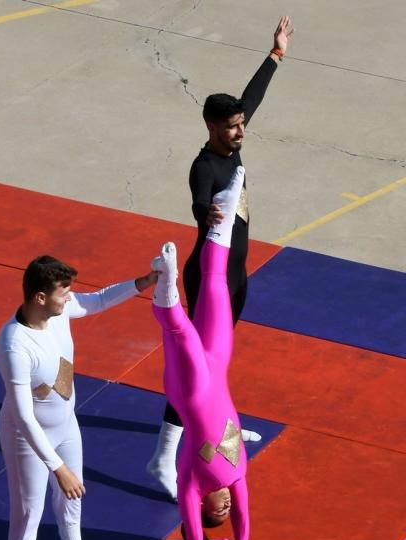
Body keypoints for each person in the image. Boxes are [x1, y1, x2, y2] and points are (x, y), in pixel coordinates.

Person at [148, 16, 294, 499]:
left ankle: (221, 421)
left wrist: (275, 54)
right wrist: (206, 212)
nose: (240, 133)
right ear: (212, 126)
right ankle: (163, 458)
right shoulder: (205, 165)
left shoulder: (234, 136)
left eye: (241, 125)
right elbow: (198, 197)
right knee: (198, 368)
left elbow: (253, 96)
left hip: (237, 273)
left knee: (220, 358)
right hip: (208, 276)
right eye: (232, 127)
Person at [0, 256, 157, 540]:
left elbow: (98, 299)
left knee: (74, 493)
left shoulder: (59, 312)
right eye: (63, 292)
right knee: (27, 517)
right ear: (39, 296)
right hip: (27, 441)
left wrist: (144, 281)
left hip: (66, 424)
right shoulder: (13, 344)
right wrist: (56, 466)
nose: (70, 298)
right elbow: (22, 415)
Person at [151, 166, 249, 540]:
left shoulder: (191, 483)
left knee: (181, 335)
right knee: (215, 289)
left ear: (204, 507)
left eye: (218, 512)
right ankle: (224, 218)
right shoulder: (238, 473)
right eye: (226, 511)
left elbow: (193, 538)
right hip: (220, 368)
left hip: (190, 392)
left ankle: (166, 282)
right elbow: (244, 530)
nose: (225, 506)